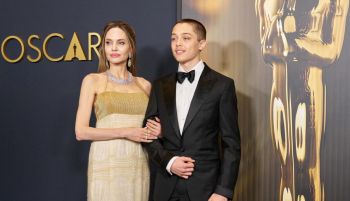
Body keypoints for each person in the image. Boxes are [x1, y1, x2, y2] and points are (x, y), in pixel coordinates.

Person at [256, 0, 349, 200]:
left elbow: (332, 50)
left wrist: (294, 44)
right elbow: (265, 48)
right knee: (285, 167)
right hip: (278, 88)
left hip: (310, 87)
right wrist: (277, 43)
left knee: (308, 166)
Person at [143, 19, 241, 201]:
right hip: (165, 186)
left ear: (201, 44)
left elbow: (231, 145)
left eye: (186, 38)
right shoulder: (159, 85)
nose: (178, 44)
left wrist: (223, 191)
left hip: (206, 188)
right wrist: (169, 162)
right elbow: (147, 136)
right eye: (174, 38)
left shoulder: (222, 86)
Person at [75, 20, 161, 201]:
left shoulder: (145, 85)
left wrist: (159, 132)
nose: (113, 48)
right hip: (107, 162)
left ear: (131, 49)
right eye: (108, 42)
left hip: (137, 162)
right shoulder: (92, 80)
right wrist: (126, 132)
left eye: (120, 42)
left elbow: (154, 129)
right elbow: (81, 132)